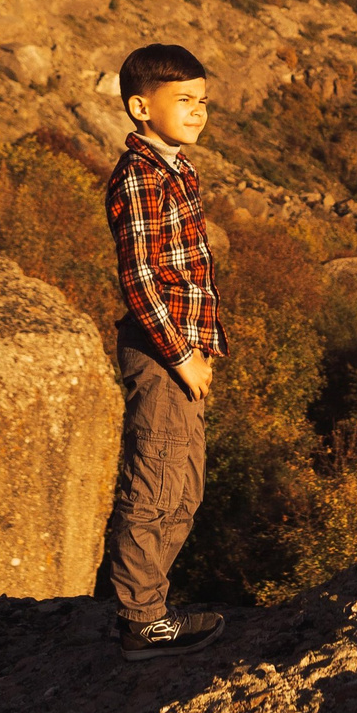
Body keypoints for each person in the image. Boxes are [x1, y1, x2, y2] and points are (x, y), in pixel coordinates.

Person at [101, 42, 228, 660]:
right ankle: (141, 619)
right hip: (162, 353)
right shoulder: (139, 177)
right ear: (139, 107)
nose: (199, 111)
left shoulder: (176, 169)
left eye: (203, 101)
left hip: (184, 350)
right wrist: (181, 356)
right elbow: (141, 280)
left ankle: (152, 602)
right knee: (154, 481)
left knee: (183, 481)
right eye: (184, 100)